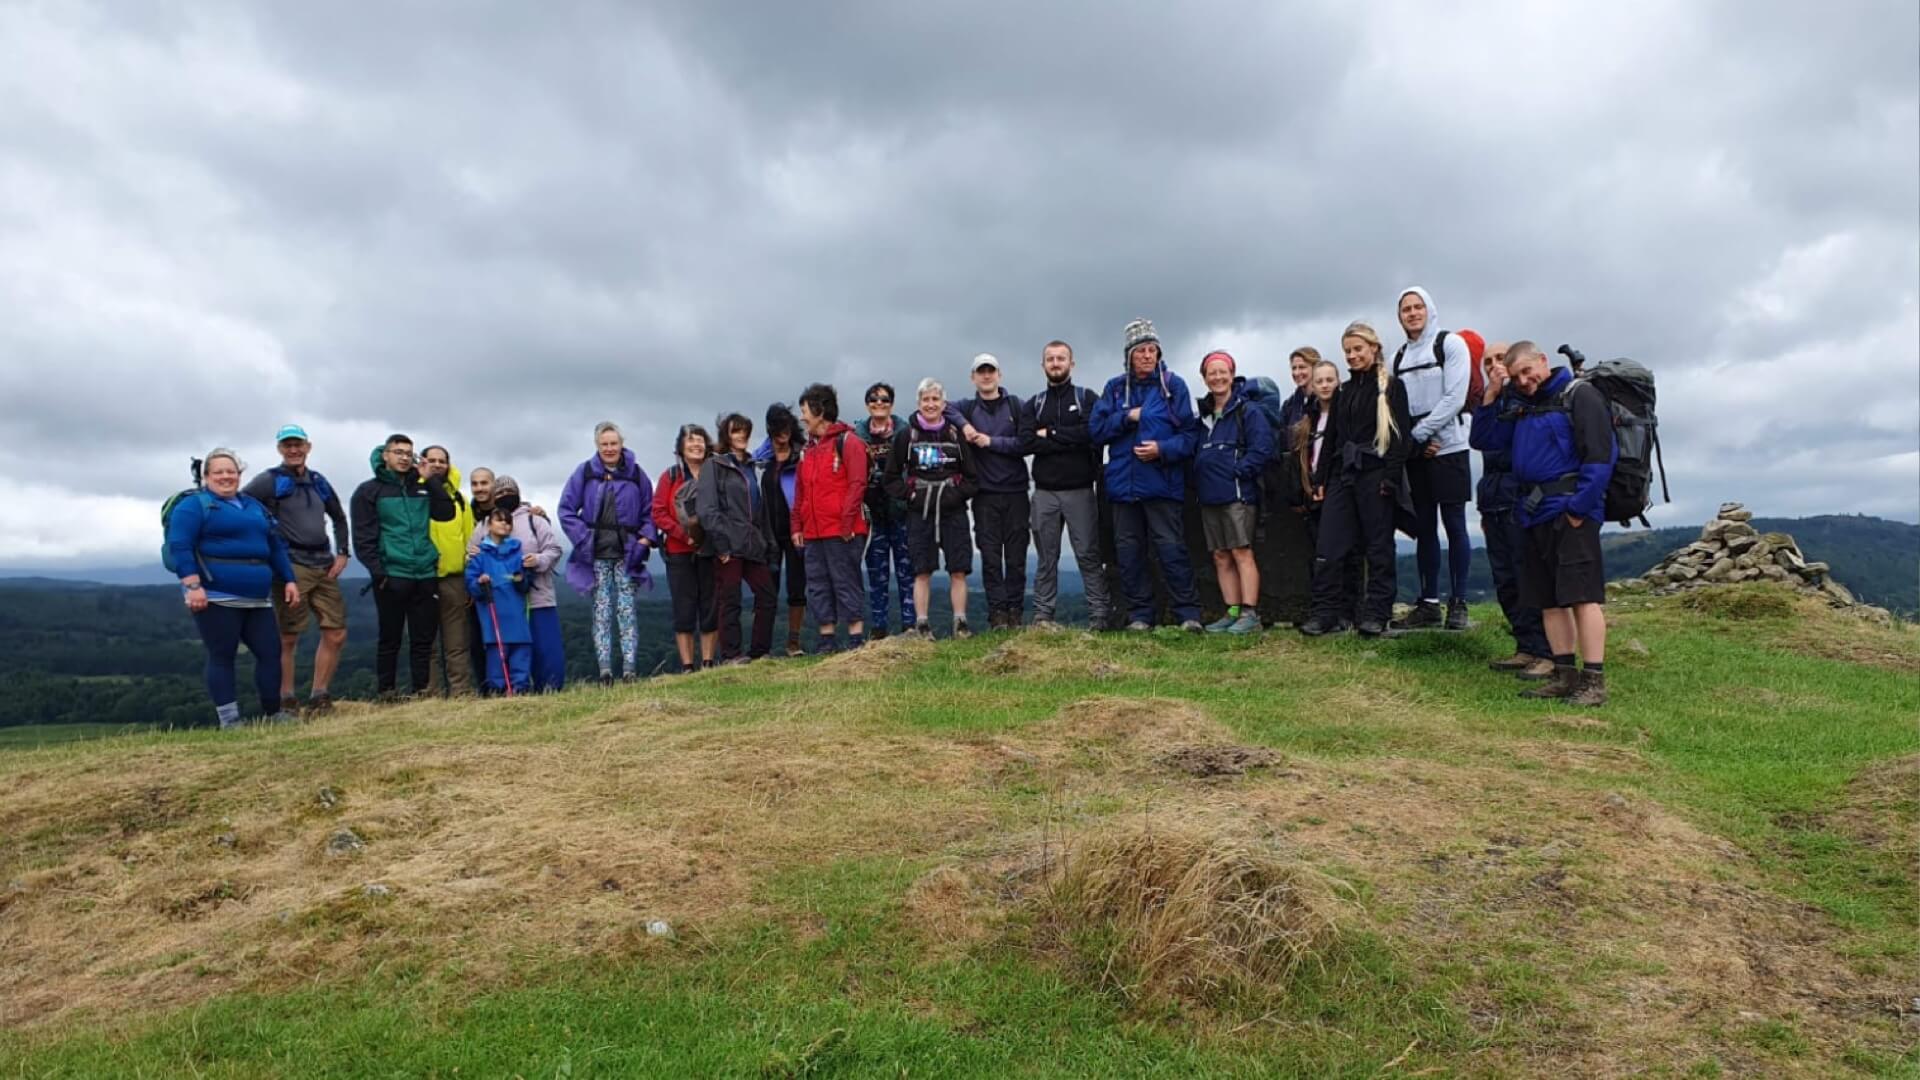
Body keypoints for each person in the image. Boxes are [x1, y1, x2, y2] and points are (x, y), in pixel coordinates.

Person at [1479, 341, 1615, 706]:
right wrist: (1493, 394)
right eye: (1518, 376)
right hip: (1533, 512)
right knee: (1550, 600)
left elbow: (1601, 456)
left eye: (1528, 371)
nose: (1524, 380)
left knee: (1581, 597)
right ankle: (1563, 673)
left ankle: (1594, 680)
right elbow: (1484, 439)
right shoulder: (1523, 407)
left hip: (1569, 511)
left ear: (1543, 361)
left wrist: (1578, 508)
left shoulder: (1580, 396)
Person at [167, 449, 300, 728]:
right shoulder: (193, 506)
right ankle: (230, 720)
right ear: (206, 477)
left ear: (239, 475)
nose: (226, 477)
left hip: (258, 598)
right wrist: (192, 586)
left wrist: (289, 579)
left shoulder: (253, 506)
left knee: (270, 652)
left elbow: (274, 545)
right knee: (222, 655)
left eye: (232, 471)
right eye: (219, 472)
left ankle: (273, 713)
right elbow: (181, 546)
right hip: (216, 595)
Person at [1089, 317, 1202, 632]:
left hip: (1163, 484)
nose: (1147, 356)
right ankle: (1140, 616)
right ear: (1129, 355)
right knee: (1128, 553)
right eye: (1140, 351)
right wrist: (1127, 417)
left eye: (1152, 350)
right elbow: (1096, 431)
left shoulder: (1174, 386)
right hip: (1123, 487)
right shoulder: (1113, 388)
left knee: (1172, 549)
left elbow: (1191, 436)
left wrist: (1162, 450)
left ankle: (1188, 615)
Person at [1300, 323, 1413, 637]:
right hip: (1342, 474)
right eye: (1347, 351)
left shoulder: (1392, 386)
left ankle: (1376, 613)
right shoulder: (1343, 392)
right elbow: (1333, 438)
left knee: (1378, 547)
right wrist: (1320, 479)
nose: (1352, 356)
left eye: (1357, 349)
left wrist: (1390, 478)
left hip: (1376, 473)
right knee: (1328, 545)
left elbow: (1400, 437)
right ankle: (1324, 612)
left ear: (1373, 349)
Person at [241, 424, 349, 715]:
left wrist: (342, 552)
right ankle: (286, 699)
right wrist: (266, 544)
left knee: (336, 632)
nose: (293, 450)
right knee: (288, 636)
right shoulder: (269, 480)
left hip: (324, 564)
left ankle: (320, 695)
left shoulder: (319, 481)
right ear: (279, 449)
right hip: (291, 565)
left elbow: (339, 516)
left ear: (308, 447)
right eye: (287, 445)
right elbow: (242, 506)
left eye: (298, 444)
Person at [1465, 335, 1554, 681]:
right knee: (1505, 580)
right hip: (1494, 500)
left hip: (1523, 499)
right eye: (1487, 362)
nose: (1494, 367)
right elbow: (1479, 442)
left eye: (1500, 359)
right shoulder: (1491, 403)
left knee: (1528, 576)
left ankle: (1547, 651)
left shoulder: (1527, 399)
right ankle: (1525, 646)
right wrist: (1489, 396)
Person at [1391, 286, 1475, 631]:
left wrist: (1422, 434)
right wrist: (1415, 441)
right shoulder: (1398, 357)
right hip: (1417, 451)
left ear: (1429, 309)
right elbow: (1397, 405)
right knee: (1424, 527)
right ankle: (1428, 602)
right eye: (1406, 309)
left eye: (1417, 307)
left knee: (1454, 524)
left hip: (1450, 447)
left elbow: (1455, 396)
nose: (1412, 314)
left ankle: (1459, 601)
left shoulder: (1450, 344)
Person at [351, 434, 454, 697]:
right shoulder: (368, 491)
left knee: (423, 639)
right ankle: (387, 691)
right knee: (390, 637)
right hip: (392, 574)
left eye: (409, 453)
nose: (404, 457)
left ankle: (421, 691)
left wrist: (430, 478)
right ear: (385, 455)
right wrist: (379, 572)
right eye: (398, 452)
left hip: (424, 572)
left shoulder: (420, 487)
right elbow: (363, 538)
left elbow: (446, 513)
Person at [558, 421, 657, 685]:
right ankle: (604, 671)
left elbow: (650, 511)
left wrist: (645, 541)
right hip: (596, 554)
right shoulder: (585, 472)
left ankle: (629, 670)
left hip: (628, 554)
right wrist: (584, 538)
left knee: (626, 611)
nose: (610, 448)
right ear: (597, 446)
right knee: (601, 612)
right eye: (605, 444)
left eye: (614, 443)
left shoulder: (637, 474)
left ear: (622, 444)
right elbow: (566, 510)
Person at [1026, 340, 1111, 629]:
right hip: (1044, 492)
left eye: (1061, 358)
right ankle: (1043, 616)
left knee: (1088, 554)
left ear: (1071, 364)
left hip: (1080, 490)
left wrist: (1049, 433)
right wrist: (1066, 439)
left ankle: (1099, 615)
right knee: (1046, 558)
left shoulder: (1087, 398)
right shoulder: (1034, 403)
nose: (1055, 363)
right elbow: (1026, 441)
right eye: (1050, 359)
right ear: (1043, 365)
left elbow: (1091, 434)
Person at [884, 378, 977, 638]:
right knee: (921, 570)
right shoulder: (907, 436)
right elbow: (890, 478)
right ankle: (922, 624)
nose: (931, 404)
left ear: (944, 403)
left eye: (935, 399)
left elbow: (972, 478)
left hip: (953, 511)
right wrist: (911, 497)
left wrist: (955, 496)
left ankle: (960, 623)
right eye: (926, 399)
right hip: (919, 512)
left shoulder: (956, 435)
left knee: (958, 569)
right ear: (918, 403)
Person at [1192, 351, 1272, 634]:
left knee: (1241, 552)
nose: (1217, 377)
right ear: (1204, 378)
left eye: (1222, 371)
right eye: (1211, 373)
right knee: (1220, 555)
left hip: (1238, 495)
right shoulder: (1202, 416)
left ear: (1232, 373)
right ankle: (1232, 610)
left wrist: (1237, 471)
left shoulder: (1247, 410)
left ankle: (1250, 614)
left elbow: (1262, 448)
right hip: (1209, 496)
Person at [468, 475, 565, 692]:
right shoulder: (485, 524)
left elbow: (554, 549)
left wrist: (538, 560)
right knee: (505, 649)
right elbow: (472, 553)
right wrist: (472, 560)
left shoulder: (534, 520)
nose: (505, 497)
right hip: (502, 603)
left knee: (545, 648)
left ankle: (550, 689)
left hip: (538, 597)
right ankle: (508, 690)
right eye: (499, 494)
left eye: (509, 492)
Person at [957, 354, 1033, 629]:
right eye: (981, 372)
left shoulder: (1017, 406)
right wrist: (965, 426)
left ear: (999, 374)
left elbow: (1026, 443)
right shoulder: (966, 408)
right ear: (973, 377)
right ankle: (997, 615)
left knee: (1016, 557)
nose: (986, 376)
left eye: (990, 371)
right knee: (990, 558)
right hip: (984, 495)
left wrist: (991, 442)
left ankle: (1015, 612)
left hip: (1015, 492)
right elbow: (942, 409)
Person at [791, 383, 869, 653]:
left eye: (805, 411)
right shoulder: (807, 451)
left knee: (846, 581)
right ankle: (827, 640)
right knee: (818, 584)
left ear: (819, 410)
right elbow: (800, 492)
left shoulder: (849, 442)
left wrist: (847, 523)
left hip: (842, 530)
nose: (802, 418)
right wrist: (796, 526)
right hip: (813, 532)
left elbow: (857, 484)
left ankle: (855, 640)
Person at [699, 413, 780, 660]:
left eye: (745, 431)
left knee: (767, 595)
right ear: (726, 435)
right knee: (730, 600)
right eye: (736, 431)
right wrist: (722, 545)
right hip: (728, 544)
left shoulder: (751, 467)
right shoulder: (714, 465)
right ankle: (732, 655)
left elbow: (760, 509)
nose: (741, 436)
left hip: (753, 543)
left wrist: (768, 544)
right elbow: (707, 509)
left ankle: (760, 652)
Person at [1291, 359, 1359, 630]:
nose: (1324, 385)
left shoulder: (1346, 412)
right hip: (1315, 491)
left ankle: (1346, 612)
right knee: (1322, 552)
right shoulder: (1310, 417)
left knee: (1346, 554)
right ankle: (1325, 611)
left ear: (1338, 381)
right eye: (1319, 381)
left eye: (1329, 380)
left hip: (1341, 488)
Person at [653, 424, 718, 673]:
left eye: (700, 440)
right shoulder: (669, 477)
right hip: (678, 551)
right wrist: (683, 535)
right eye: (690, 440)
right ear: (680, 447)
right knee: (684, 607)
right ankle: (688, 666)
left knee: (710, 605)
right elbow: (658, 512)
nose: (696, 445)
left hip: (710, 549)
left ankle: (709, 662)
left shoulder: (715, 474)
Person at [853, 383, 915, 638]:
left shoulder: (906, 432)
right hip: (873, 515)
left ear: (892, 403)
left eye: (884, 399)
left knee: (907, 572)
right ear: (867, 403)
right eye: (873, 399)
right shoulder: (856, 436)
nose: (879, 403)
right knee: (877, 575)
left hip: (902, 512)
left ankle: (911, 626)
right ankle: (879, 629)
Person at [1266, 348, 1321, 625]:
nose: (1298, 373)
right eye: (1294, 368)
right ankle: (1311, 606)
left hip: (1320, 480)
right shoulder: (1290, 404)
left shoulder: (1327, 399)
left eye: (1303, 367)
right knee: (1307, 550)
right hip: (1297, 485)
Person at [420, 445, 477, 696]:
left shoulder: (459, 500)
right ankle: (430, 694)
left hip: (454, 578)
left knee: (457, 642)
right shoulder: (414, 493)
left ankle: (461, 693)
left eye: (442, 461)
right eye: (431, 460)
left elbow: (470, 540)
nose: (437, 465)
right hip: (422, 577)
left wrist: (470, 577)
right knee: (426, 643)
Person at [756, 403, 809, 656]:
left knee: (797, 589)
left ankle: (793, 642)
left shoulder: (803, 457)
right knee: (768, 591)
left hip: (797, 532)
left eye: (786, 428)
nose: (782, 434)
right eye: (777, 429)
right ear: (770, 430)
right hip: (768, 535)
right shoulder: (759, 461)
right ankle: (762, 646)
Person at [466, 509, 533, 695]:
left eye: (508, 521)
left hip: (516, 613)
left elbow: (526, 583)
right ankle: (497, 690)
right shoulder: (480, 555)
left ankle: (520, 689)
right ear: (489, 525)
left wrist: (522, 578)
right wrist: (480, 582)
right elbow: (471, 583)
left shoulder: (517, 553)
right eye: (499, 520)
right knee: (497, 655)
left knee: (521, 652)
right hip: (493, 614)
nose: (504, 523)